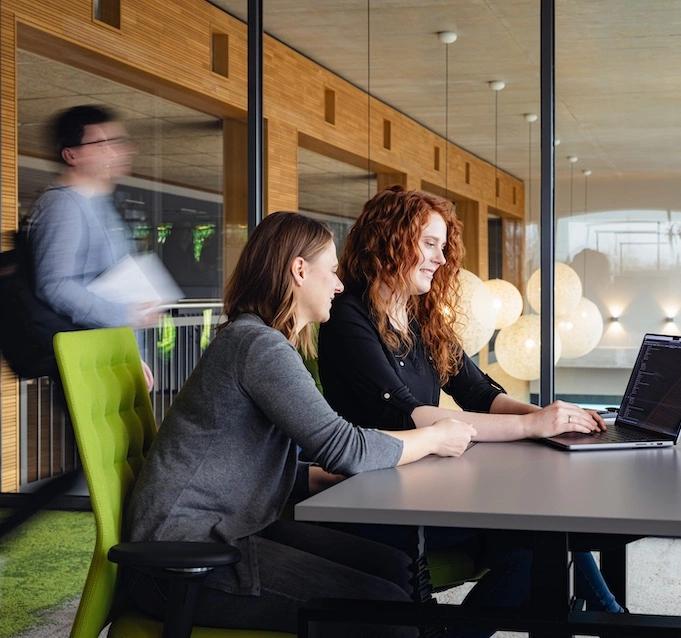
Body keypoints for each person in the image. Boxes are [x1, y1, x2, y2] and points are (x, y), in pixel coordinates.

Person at [124, 211, 478, 637]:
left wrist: (312, 478)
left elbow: (236, 461)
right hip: (183, 558)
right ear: (298, 269)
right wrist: (437, 436)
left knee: (396, 568)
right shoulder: (258, 347)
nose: (340, 284)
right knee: (386, 607)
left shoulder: (256, 340)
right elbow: (342, 445)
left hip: (222, 531)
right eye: (331, 271)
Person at [317, 186, 626, 630]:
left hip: (424, 483)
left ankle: (615, 620)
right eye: (428, 244)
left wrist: (557, 417)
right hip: (376, 498)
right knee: (539, 544)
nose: (440, 259)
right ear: (387, 239)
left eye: (443, 247)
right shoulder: (348, 318)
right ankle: (617, 620)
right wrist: (534, 426)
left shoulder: (419, 317)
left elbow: (478, 391)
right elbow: (412, 416)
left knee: (542, 540)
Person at [22, 104, 154, 387]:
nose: (116, 151)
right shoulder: (63, 204)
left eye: (119, 142)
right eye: (103, 143)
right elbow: (54, 285)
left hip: (112, 355)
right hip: (89, 358)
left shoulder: (100, 203)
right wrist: (126, 313)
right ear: (71, 155)